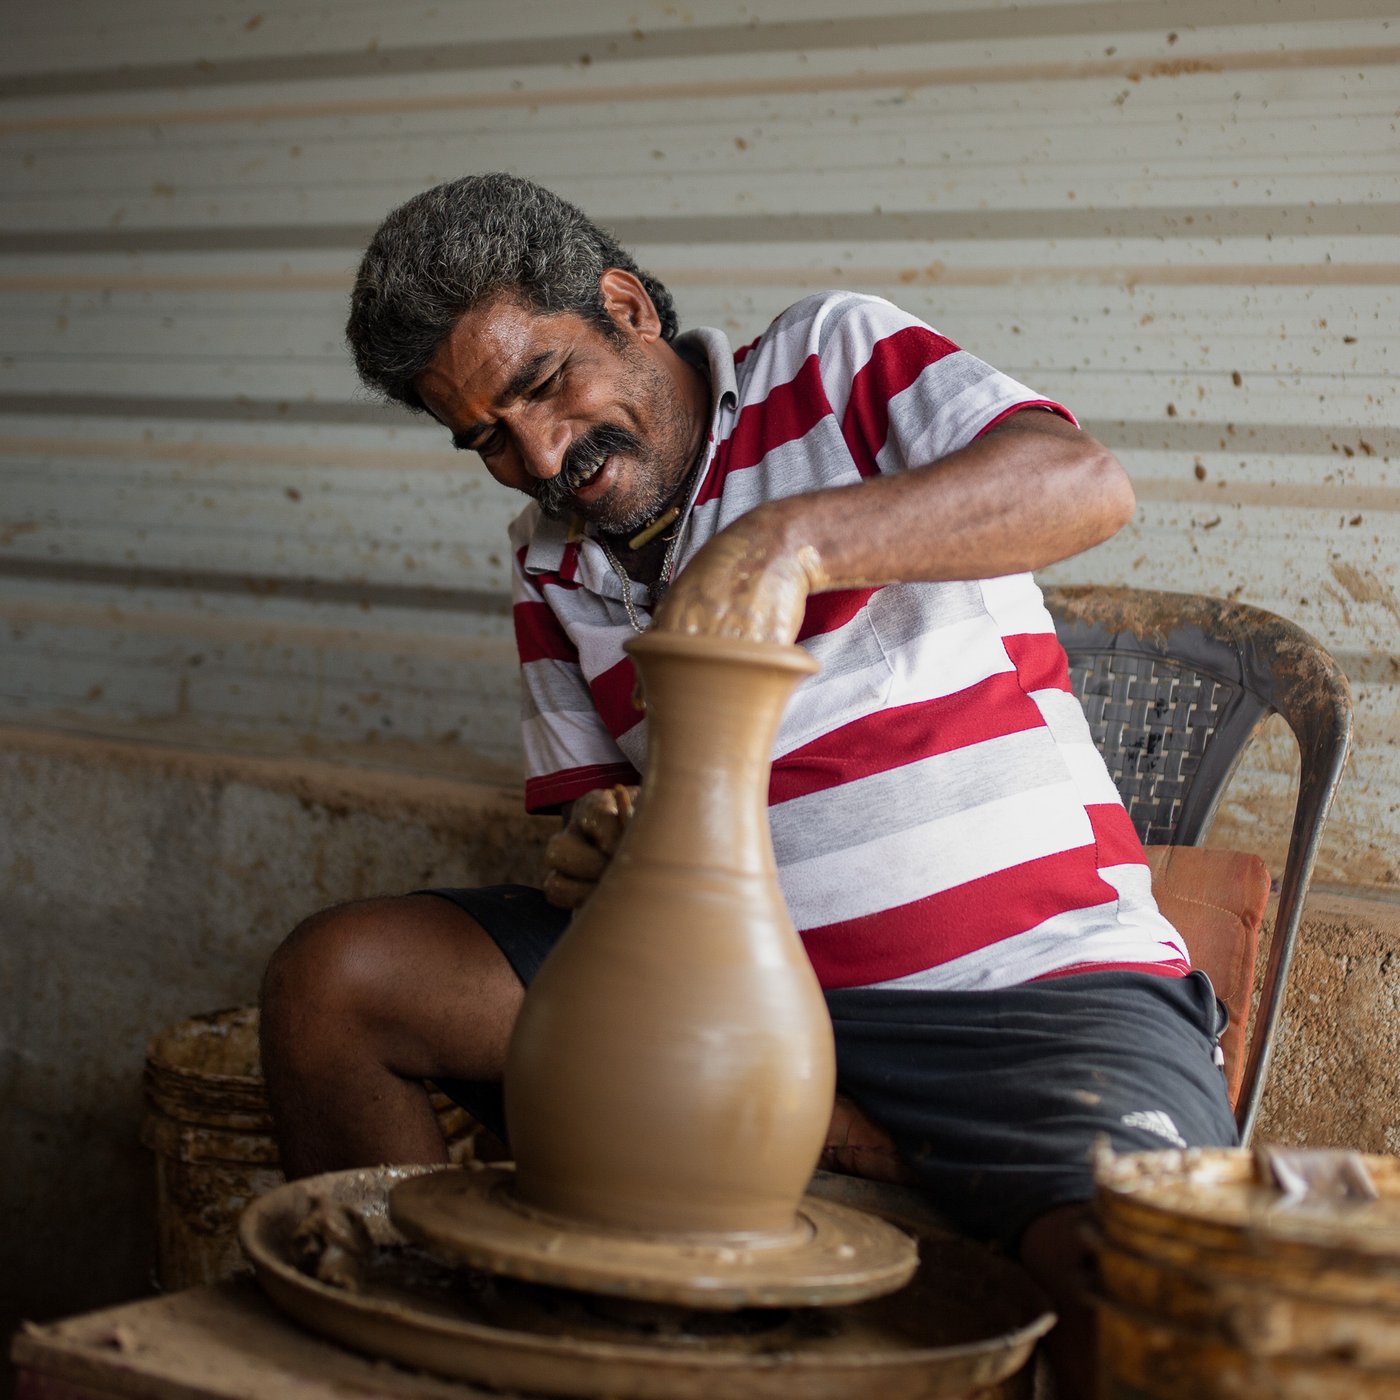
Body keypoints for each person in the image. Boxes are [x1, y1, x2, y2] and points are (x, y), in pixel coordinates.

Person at [260, 172, 1237, 1398]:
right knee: (337, 983)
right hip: (730, 1005)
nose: (540, 455)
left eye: (543, 384)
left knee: (1149, 1287)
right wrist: (591, 848)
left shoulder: (830, 360)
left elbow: (1080, 482)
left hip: (1020, 988)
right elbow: (590, 833)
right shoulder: (549, 564)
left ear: (624, 305)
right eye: (487, 439)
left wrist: (790, 539)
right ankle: (434, 1366)